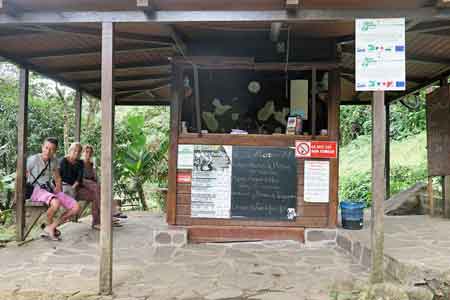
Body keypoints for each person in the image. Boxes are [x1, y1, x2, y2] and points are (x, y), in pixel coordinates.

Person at [27, 137, 80, 240]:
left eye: (51, 149)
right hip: (35, 190)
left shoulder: (54, 161)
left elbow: (57, 178)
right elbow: (21, 175)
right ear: (42, 147)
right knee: (55, 203)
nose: (48, 151)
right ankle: (49, 227)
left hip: (49, 189)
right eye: (46, 148)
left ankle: (51, 227)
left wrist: (59, 191)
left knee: (76, 207)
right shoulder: (33, 159)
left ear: (55, 151)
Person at [78, 145, 124, 230]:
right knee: (96, 187)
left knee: (99, 191)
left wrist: (95, 170)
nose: (88, 154)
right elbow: (79, 178)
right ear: (82, 153)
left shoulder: (91, 164)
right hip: (82, 184)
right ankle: (110, 214)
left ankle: (97, 222)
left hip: (91, 187)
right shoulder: (79, 163)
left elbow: (95, 178)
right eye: (86, 152)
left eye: (90, 152)